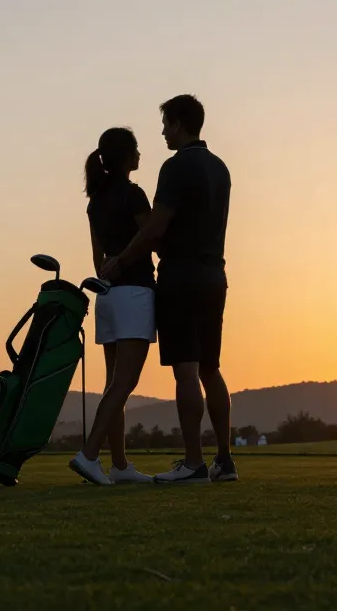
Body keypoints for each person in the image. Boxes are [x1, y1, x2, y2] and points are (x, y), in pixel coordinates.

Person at [101, 95, 236, 483]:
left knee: (186, 370)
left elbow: (154, 228)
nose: (162, 132)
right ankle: (224, 461)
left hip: (181, 277)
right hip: (215, 276)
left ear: (178, 123)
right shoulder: (220, 168)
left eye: (165, 124)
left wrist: (121, 260)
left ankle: (194, 463)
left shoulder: (175, 167)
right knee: (210, 368)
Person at [69, 127, 157, 486]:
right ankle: (89, 455)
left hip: (107, 296)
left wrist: (111, 269)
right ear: (126, 156)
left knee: (113, 384)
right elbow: (151, 237)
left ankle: (119, 465)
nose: (140, 155)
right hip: (134, 294)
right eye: (136, 149)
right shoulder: (133, 195)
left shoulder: (96, 201)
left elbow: (97, 258)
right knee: (124, 382)